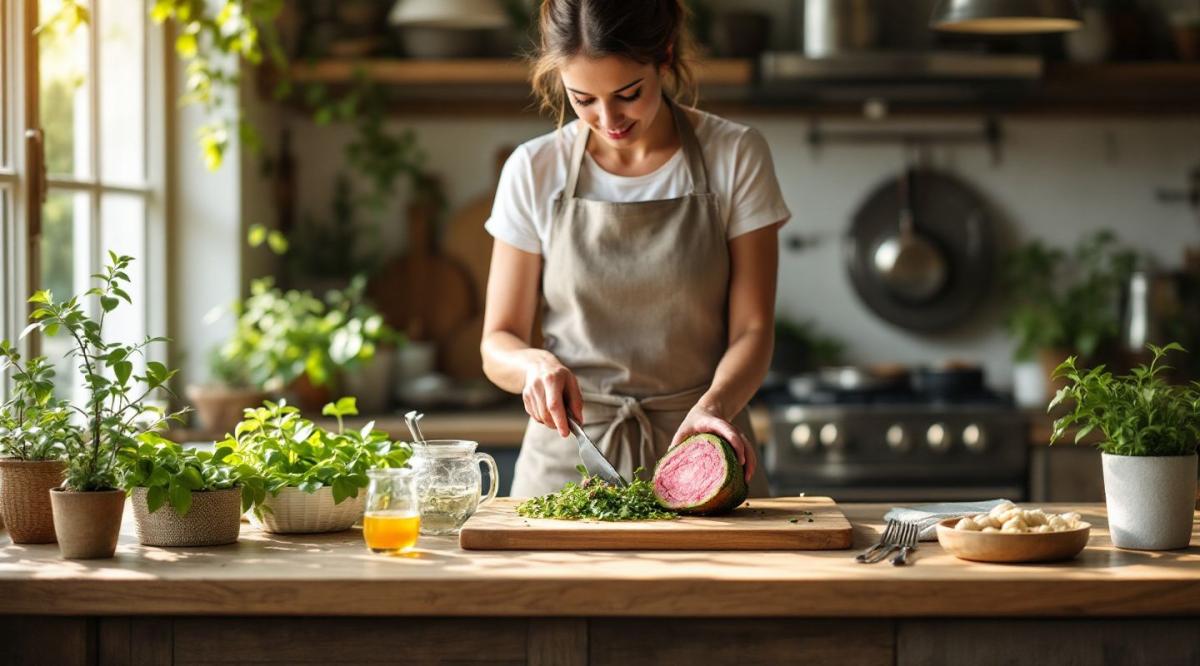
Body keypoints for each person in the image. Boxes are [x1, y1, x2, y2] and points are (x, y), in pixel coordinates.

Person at [480, 0, 791, 498]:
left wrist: (714, 406)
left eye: (628, 94)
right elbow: (497, 341)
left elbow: (753, 330)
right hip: (569, 455)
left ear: (664, 57)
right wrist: (534, 365)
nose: (608, 119)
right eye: (583, 99)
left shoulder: (735, 154)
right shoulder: (534, 168)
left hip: (703, 442)